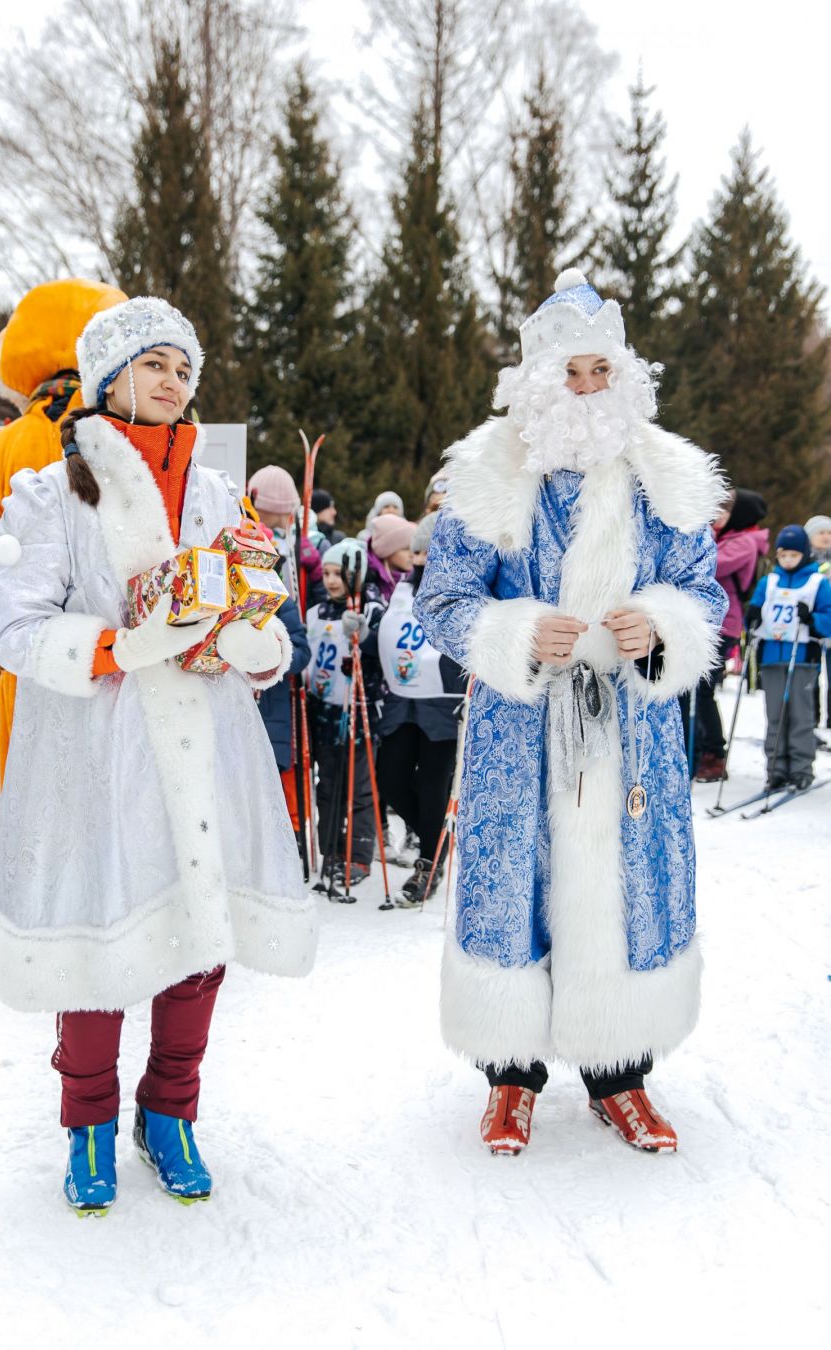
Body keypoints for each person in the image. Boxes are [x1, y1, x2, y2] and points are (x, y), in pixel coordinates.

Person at [0, 296, 317, 1214]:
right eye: (156, 364)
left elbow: (254, 609)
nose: (174, 382)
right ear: (106, 378)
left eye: (185, 369)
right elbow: (13, 623)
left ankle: (169, 1113)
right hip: (97, 751)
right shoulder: (50, 491)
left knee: (198, 940)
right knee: (99, 943)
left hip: (208, 745)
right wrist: (115, 649)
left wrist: (260, 646)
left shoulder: (217, 494)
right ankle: (87, 1122)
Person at [414, 269, 728, 1156]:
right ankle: (510, 1076)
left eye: (599, 372)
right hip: (521, 723)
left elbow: (703, 593)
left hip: (629, 726)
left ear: (621, 377)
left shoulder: (665, 475)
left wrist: (659, 624)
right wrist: (513, 633)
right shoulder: (485, 475)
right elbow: (443, 600)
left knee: (625, 885)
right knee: (514, 881)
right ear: (535, 384)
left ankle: (619, 1074)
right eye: (569, 374)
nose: (585, 388)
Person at [0, 279, 127, 782]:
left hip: (35, 652)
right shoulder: (127, 432)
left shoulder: (8, 444)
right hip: (121, 649)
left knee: (34, 798)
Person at [376, 511, 468, 906]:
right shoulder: (400, 592)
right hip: (401, 699)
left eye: (429, 550)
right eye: (417, 551)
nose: (420, 558)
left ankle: (428, 862)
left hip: (440, 702)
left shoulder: (459, 587)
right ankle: (437, 838)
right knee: (391, 777)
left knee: (433, 786)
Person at [306, 537, 385, 892]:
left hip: (360, 711)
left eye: (339, 573)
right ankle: (331, 851)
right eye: (327, 572)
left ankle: (358, 854)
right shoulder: (317, 611)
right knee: (328, 786)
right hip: (324, 710)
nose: (332, 580)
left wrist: (364, 638)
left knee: (360, 789)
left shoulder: (371, 608)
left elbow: (383, 652)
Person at [691, 487, 769, 782]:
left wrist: (703, 534)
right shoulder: (731, 537)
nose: (717, 516)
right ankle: (699, 749)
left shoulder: (745, 542)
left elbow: (711, 564)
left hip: (724, 624)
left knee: (703, 690)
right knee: (696, 689)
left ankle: (713, 754)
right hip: (711, 621)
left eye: (724, 511)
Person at [745, 525, 831, 789]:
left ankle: (801, 768)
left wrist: (812, 618)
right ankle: (776, 768)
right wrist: (753, 617)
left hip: (802, 657)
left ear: (803, 554)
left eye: (794, 555)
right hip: (772, 656)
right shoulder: (769, 581)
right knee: (776, 716)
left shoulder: (818, 582)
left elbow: (828, 619)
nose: (788, 561)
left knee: (800, 716)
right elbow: (756, 608)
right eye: (783, 555)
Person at [255, 594, 311, 833]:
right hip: (234, 703)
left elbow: (301, 652)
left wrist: (273, 655)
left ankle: (285, 832)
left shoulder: (279, 601)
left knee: (272, 778)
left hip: (271, 709)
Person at [247, 464, 326, 607]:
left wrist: (315, 571)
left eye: (255, 508)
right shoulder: (254, 536)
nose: (252, 512)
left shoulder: (305, 539)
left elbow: (321, 593)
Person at [804, 515, 831, 730]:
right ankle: (810, 719)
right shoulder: (801, 561)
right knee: (811, 676)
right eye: (821, 532)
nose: (826, 537)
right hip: (809, 627)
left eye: (829, 533)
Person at [366, 514, 416, 604]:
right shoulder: (371, 582)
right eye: (405, 549)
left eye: (413, 548)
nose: (412, 555)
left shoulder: (418, 577)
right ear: (387, 551)